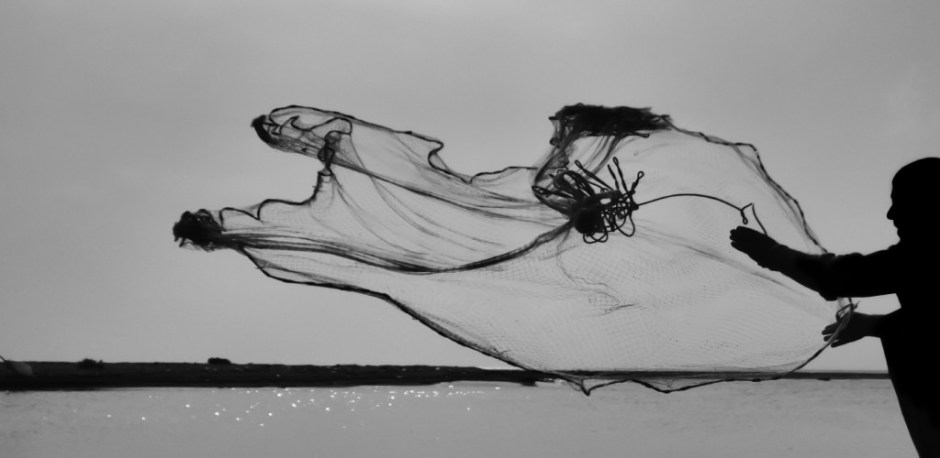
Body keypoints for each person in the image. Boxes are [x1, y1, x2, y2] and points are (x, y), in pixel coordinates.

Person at [730, 157, 940, 457]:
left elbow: (841, 277)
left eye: (901, 202)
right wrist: (874, 325)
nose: (891, 214)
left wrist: (773, 253)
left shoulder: (923, 254)